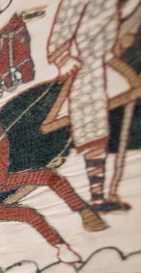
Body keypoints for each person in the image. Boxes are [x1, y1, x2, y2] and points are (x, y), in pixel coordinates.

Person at [47, 0, 127, 212]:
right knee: (92, 124)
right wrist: (66, 60)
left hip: (106, 59)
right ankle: (98, 198)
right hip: (86, 68)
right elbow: (60, 33)